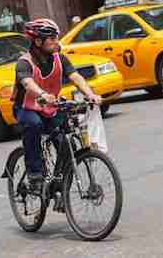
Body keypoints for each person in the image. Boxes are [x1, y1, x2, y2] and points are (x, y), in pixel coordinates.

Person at [13, 19, 103, 191]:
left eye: (57, 38)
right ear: (38, 42)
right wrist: (43, 95)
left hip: (50, 107)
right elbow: (27, 83)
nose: (57, 42)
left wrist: (90, 95)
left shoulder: (60, 58)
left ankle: (61, 187)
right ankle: (34, 174)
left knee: (66, 140)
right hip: (27, 108)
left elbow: (75, 77)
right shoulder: (24, 62)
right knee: (34, 125)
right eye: (52, 38)